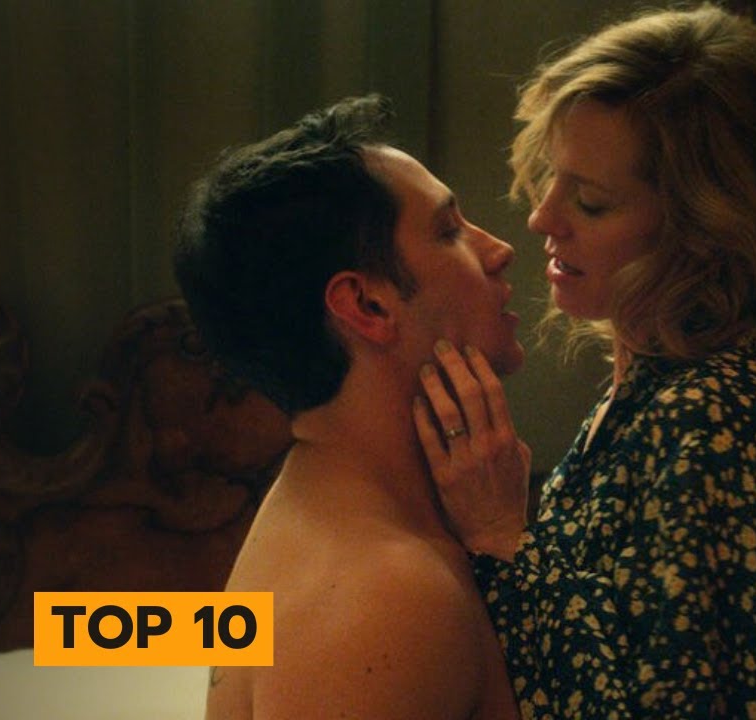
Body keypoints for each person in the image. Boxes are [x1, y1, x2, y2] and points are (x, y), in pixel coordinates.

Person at [414, 5, 756, 718]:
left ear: (701, 231)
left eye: (590, 202)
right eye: (553, 178)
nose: (540, 218)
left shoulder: (712, 411)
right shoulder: (654, 396)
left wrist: (502, 538)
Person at [174, 94, 523, 720]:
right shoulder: (385, 598)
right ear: (367, 307)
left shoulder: (337, 510)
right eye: (449, 231)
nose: (498, 249)